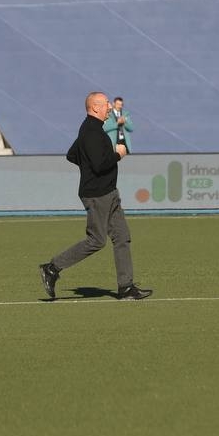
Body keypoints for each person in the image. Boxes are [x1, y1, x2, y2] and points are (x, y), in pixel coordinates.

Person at [39, 91, 151, 301]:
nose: (110, 107)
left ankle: (126, 287)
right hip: (98, 195)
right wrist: (118, 154)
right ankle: (52, 268)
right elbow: (100, 164)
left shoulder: (90, 129)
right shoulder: (91, 131)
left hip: (108, 192)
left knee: (122, 237)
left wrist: (89, 167)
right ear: (95, 108)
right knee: (97, 240)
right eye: (106, 104)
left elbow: (72, 155)